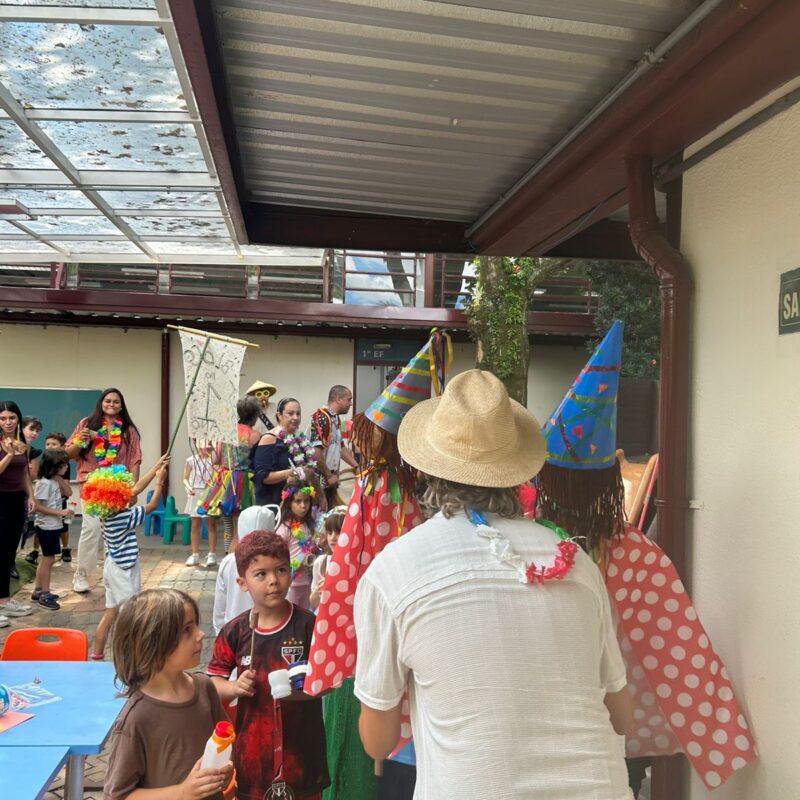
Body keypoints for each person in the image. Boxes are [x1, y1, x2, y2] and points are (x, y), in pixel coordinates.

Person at [353, 369, 634, 799]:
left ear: (427, 471)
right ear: (516, 473)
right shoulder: (576, 562)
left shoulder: (394, 570)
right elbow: (621, 716)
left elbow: (379, 742)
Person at [537, 321, 757, 794]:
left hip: (541, 729)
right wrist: (720, 737)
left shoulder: (525, 545)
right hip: (617, 735)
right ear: (610, 481)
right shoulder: (637, 554)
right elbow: (683, 653)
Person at [208, 531, 329, 800]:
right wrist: (234, 687)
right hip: (252, 758)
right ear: (242, 583)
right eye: (261, 574)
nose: (273, 580)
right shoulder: (235, 631)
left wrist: (305, 690)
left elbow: (330, 682)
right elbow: (212, 683)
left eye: (281, 570)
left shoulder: (310, 626)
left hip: (303, 757)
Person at [104, 588, 233, 800]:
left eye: (196, 625)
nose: (200, 634)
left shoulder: (204, 687)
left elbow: (226, 740)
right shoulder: (136, 719)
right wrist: (182, 792)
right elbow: (118, 795)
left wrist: (225, 769)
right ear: (152, 646)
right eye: (187, 630)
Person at [84, 455, 170, 660]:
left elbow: (136, 489)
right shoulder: (124, 516)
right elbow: (151, 506)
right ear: (118, 496)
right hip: (124, 570)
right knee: (130, 615)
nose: (130, 493)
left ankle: (97, 655)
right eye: (124, 491)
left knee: (110, 613)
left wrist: (156, 466)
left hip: (111, 567)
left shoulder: (107, 512)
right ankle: (128, 658)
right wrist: (160, 482)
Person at [67, 387, 142, 593]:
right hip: (90, 484)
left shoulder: (128, 430)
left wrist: (133, 490)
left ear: (121, 406)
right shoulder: (86, 423)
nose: (111, 404)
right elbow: (70, 453)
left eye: (116, 402)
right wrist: (84, 439)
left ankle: (112, 575)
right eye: (108, 401)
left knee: (115, 530)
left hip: (117, 487)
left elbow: (135, 460)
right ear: (101, 403)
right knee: (91, 528)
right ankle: (81, 574)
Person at [197, 397, 261, 557]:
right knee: (241, 528)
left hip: (225, 481)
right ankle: (236, 560)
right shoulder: (255, 435)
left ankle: (227, 556)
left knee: (228, 526)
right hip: (244, 482)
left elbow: (215, 459)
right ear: (255, 415)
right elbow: (258, 461)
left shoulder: (226, 433)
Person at [213, 504, 277, 635]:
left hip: (234, 629)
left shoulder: (228, 561)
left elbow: (220, 605)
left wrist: (220, 631)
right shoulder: (276, 562)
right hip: (267, 630)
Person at [0, 400, 34, 621]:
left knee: (9, 552)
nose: (7, 422)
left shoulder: (22, 442)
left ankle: (4, 601)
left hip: (16, 500)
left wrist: (30, 495)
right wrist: (10, 454)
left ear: (18, 419)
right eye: (2, 418)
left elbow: (24, 473)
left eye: (12, 418)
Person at [252, 397, 320, 507]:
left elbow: (309, 469)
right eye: (290, 413)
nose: (295, 417)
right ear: (279, 415)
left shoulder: (300, 438)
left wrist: (320, 495)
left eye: (298, 414)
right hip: (275, 504)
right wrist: (292, 472)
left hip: (300, 504)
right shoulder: (269, 439)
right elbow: (263, 477)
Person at [31, 448, 73, 610]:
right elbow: (37, 506)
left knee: (46, 558)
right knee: (49, 559)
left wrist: (59, 478)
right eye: (63, 465)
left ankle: (38, 590)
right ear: (53, 466)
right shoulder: (44, 484)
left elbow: (69, 492)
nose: (66, 467)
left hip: (54, 525)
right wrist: (59, 512)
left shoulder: (55, 481)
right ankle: (45, 593)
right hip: (46, 526)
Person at [274, 482, 320, 611]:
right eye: (298, 501)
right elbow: (277, 558)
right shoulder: (285, 529)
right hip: (291, 584)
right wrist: (300, 559)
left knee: (305, 614)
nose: (303, 506)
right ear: (289, 503)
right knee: (291, 614)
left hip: (308, 582)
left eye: (306, 501)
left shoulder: (311, 526)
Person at [309, 386, 357, 507]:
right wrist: (329, 476)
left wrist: (356, 466)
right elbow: (315, 451)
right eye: (348, 399)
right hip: (319, 480)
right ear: (338, 399)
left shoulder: (335, 418)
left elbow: (341, 448)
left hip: (330, 479)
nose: (350, 403)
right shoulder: (322, 417)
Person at [184, 447, 218, 568]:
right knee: (195, 524)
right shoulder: (191, 460)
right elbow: (185, 478)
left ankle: (212, 554)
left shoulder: (213, 460)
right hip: (195, 493)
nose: (204, 447)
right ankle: (194, 554)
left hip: (209, 493)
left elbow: (216, 476)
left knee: (211, 524)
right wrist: (189, 488)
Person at [309, 506, 345, 612]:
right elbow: (314, 603)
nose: (333, 538)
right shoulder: (321, 562)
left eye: (338, 532)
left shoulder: (356, 564)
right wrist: (318, 592)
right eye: (329, 532)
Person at [44, 431, 72, 562]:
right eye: (48, 444)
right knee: (42, 524)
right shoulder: (44, 461)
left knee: (63, 526)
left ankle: (65, 548)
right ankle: (36, 550)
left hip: (60, 500)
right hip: (45, 500)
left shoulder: (64, 464)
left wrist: (58, 494)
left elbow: (66, 487)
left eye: (54, 444)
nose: (50, 446)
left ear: (62, 446)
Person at [20, 416, 43, 564]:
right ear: (21, 428)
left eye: (37, 431)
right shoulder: (8, 446)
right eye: (31, 429)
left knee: (17, 529)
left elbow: (33, 475)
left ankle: (11, 562)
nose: (35, 433)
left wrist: (30, 496)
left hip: (21, 492)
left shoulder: (33, 452)